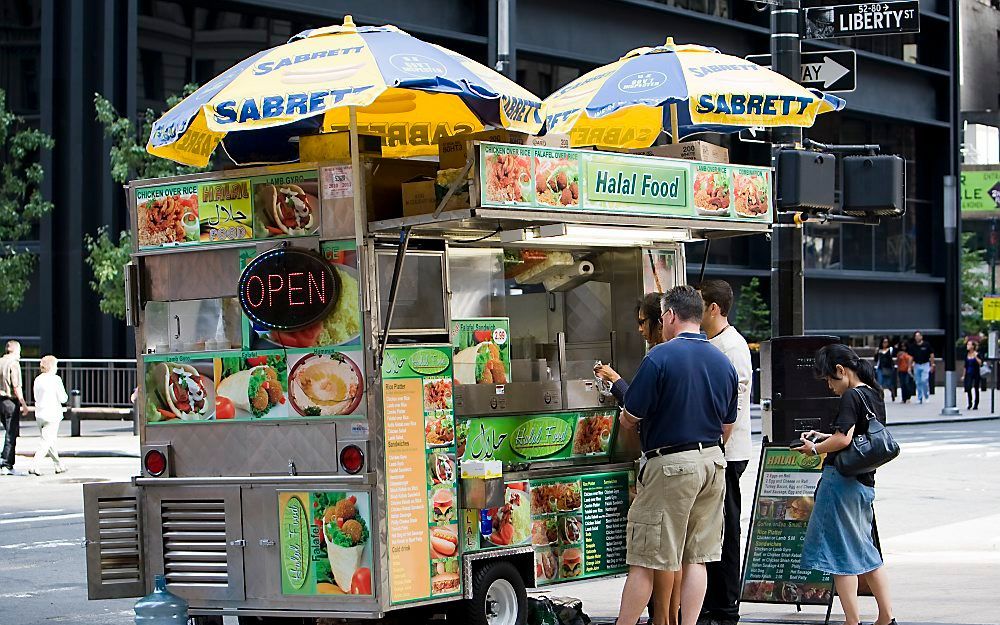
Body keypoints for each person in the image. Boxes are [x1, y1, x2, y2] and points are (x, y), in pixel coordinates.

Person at [615, 286, 738, 625]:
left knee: (646, 559)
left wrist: (627, 418)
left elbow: (631, 415)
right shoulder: (722, 361)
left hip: (669, 465)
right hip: (713, 462)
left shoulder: (659, 357)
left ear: (669, 316)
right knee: (696, 558)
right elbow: (728, 425)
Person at [795, 344, 896, 625]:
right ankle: (886, 617)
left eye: (829, 378)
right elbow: (860, 437)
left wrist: (814, 449)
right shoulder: (873, 394)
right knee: (865, 551)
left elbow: (843, 440)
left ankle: (852, 621)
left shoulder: (851, 395)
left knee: (840, 555)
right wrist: (824, 435)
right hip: (864, 483)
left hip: (841, 483)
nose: (829, 385)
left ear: (841, 370)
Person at [595, 294, 679, 625]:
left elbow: (636, 409)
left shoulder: (658, 358)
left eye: (643, 322)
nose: (640, 329)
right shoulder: (695, 355)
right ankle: (668, 619)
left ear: (663, 320)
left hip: (662, 463)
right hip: (696, 462)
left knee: (648, 557)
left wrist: (616, 382)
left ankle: (655, 619)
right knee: (674, 553)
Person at [697, 280, 753, 625]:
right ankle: (712, 601)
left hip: (727, 453)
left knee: (726, 529)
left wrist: (717, 443)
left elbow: (738, 399)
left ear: (713, 308)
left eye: (700, 306)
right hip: (717, 450)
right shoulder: (713, 342)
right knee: (712, 529)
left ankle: (725, 606)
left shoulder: (732, 346)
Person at [30, 355, 68, 475]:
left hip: (40, 413)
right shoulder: (55, 379)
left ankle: (58, 465)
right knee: (46, 441)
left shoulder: (38, 379)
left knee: (50, 441)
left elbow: (36, 396)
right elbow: (63, 398)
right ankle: (34, 465)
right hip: (52, 414)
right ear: (51, 366)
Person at [0, 340, 27, 475]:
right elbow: (16, 385)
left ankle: (4, 459)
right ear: (16, 350)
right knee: (11, 433)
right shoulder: (13, 364)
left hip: (0, 400)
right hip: (10, 401)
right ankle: (7, 463)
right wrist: (23, 403)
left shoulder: (0, 361)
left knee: (7, 432)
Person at [909, 331, 934, 403]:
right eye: (916, 336)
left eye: (918, 336)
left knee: (924, 380)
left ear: (921, 337)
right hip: (917, 364)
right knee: (918, 382)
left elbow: (931, 355)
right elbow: (911, 357)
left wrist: (932, 364)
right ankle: (919, 397)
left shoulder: (926, 345)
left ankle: (926, 395)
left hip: (925, 364)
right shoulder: (913, 346)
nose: (917, 338)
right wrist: (909, 367)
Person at [873, 338, 896, 402]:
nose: (885, 344)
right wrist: (876, 353)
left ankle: (892, 393)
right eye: (884, 342)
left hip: (888, 368)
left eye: (886, 342)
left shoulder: (890, 349)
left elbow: (893, 358)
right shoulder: (879, 350)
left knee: (889, 383)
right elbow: (876, 360)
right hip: (880, 368)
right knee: (880, 383)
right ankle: (880, 396)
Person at [962, 340, 982, 411]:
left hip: (975, 373)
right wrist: (963, 375)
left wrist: (975, 357)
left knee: (976, 388)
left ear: (973, 346)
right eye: (967, 344)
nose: (967, 346)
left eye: (969, 345)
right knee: (968, 387)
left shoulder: (977, 354)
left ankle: (976, 403)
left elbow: (980, 363)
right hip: (968, 373)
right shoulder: (966, 355)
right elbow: (965, 366)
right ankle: (969, 403)